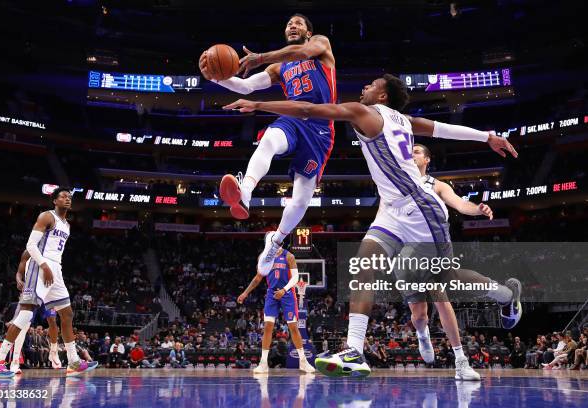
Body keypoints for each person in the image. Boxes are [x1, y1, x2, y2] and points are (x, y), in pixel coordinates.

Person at [223, 73, 517, 380]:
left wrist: (257, 103)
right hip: (390, 209)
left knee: (448, 278)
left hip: (420, 210)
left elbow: (309, 110)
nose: (364, 86)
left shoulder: (365, 113)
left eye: (371, 84)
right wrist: (486, 137)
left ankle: (506, 296)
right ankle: (355, 351)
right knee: (365, 261)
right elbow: (443, 130)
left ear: (382, 97)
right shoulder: (402, 119)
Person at [200, 13, 336, 276]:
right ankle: (245, 192)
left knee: (300, 200)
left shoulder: (320, 45)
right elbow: (246, 86)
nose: (292, 26)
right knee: (269, 141)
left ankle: (275, 242)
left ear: (309, 32)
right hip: (294, 117)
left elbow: (300, 53)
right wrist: (215, 76)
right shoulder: (279, 68)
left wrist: (260, 57)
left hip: (320, 128)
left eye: (298, 23)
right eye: (288, 23)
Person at [404, 144, 522, 369]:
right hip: (407, 249)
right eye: (409, 151)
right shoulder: (397, 182)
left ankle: (460, 357)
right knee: (419, 316)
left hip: (435, 243)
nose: (411, 153)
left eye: (417, 151)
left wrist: (477, 209)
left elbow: (459, 203)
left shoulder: (437, 185)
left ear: (427, 160)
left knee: (439, 291)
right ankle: (422, 335)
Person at [0, 188, 98, 378]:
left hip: (56, 269)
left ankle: (73, 362)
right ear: (54, 200)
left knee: (67, 313)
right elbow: (30, 246)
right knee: (25, 314)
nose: (67, 199)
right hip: (40, 267)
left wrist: (51, 268)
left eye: (69, 197)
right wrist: (44, 266)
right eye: (63, 196)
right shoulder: (47, 216)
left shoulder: (67, 225)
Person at [237, 248, 315, 373]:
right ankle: (263, 364)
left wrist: (284, 290)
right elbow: (258, 278)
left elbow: (295, 278)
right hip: (272, 294)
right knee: (267, 327)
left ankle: (303, 362)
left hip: (288, 293)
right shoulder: (263, 257)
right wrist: (245, 293)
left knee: (293, 327)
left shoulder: (289, 256)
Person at [10, 250, 63, 374]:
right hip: (31, 290)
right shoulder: (28, 252)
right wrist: (18, 280)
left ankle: (53, 352)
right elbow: (19, 272)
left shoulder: (52, 249)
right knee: (23, 326)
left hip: (47, 291)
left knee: (53, 321)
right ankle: (15, 362)